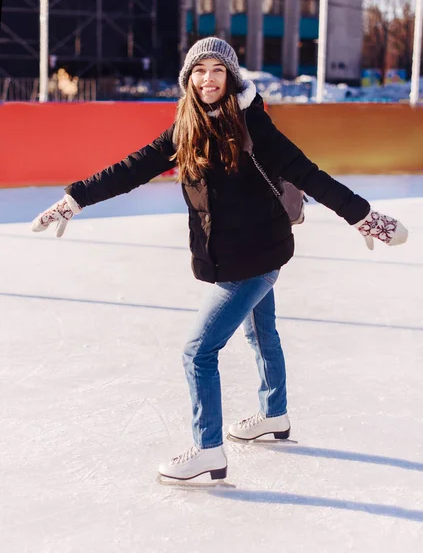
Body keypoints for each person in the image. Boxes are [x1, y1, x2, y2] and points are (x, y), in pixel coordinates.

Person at [31, 37, 408, 482]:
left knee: (197, 351)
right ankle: (275, 415)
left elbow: (308, 173)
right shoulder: (185, 127)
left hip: (258, 255)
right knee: (261, 332)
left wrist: (364, 217)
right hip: (230, 252)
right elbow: (131, 169)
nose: (207, 79)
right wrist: (73, 200)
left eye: (217, 70)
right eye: (199, 70)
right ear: (188, 79)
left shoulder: (252, 125)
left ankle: (208, 448)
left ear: (231, 77)